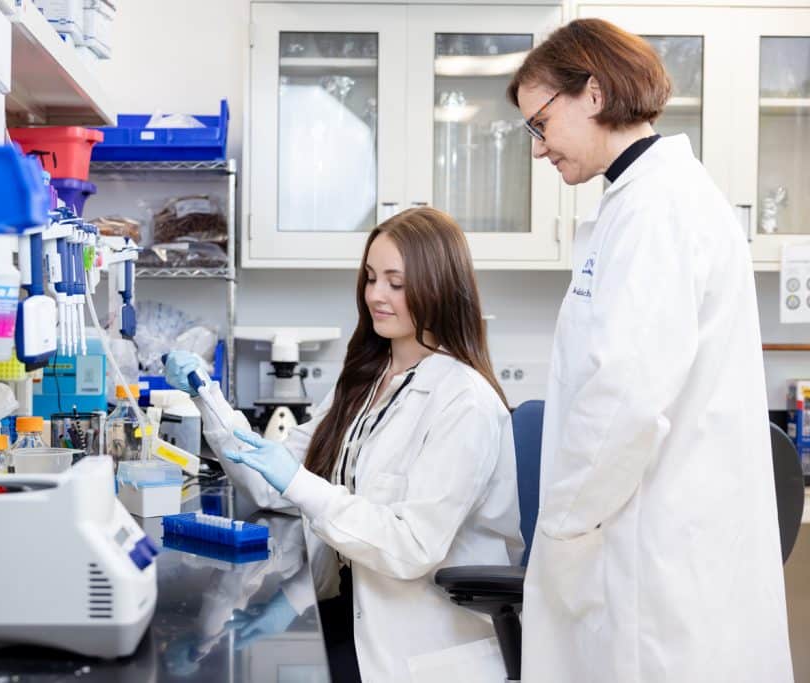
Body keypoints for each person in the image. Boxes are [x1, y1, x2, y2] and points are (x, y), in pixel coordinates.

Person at [507, 18, 793, 682]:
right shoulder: (637, 204)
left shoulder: (657, 210)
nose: (538, 148)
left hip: (656, 567)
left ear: (595, 94)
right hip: (651, 551)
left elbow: (623, 401)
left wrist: (563, 529)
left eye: (540, 123)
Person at [164, 207, 523, 683]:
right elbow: (275, 488)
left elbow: (411, 545)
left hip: (422, 642)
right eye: (371, 277)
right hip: (353, 609)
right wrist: (204, 397)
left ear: (438, 286)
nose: (376, 295)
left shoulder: (465, 402)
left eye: (396, 283)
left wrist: (298, 481)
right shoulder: (368, 381)